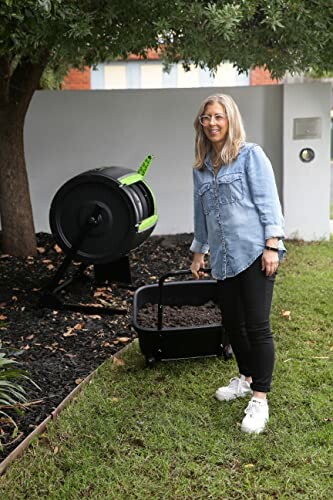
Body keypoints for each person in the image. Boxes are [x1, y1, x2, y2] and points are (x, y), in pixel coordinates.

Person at [190, 94, 286, 434]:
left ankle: (260, 398)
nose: (212, 123)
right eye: (206, 118)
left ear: (230, 119)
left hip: (256, 253)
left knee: (257, 324)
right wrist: (199, 251)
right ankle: (245, 378)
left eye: (219, 116)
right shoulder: (201, 167)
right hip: (223, 258)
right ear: (201, 124)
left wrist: (272, 245)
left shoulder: (250, 155)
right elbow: (201, 215)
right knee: (232, 322)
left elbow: (268, 201)